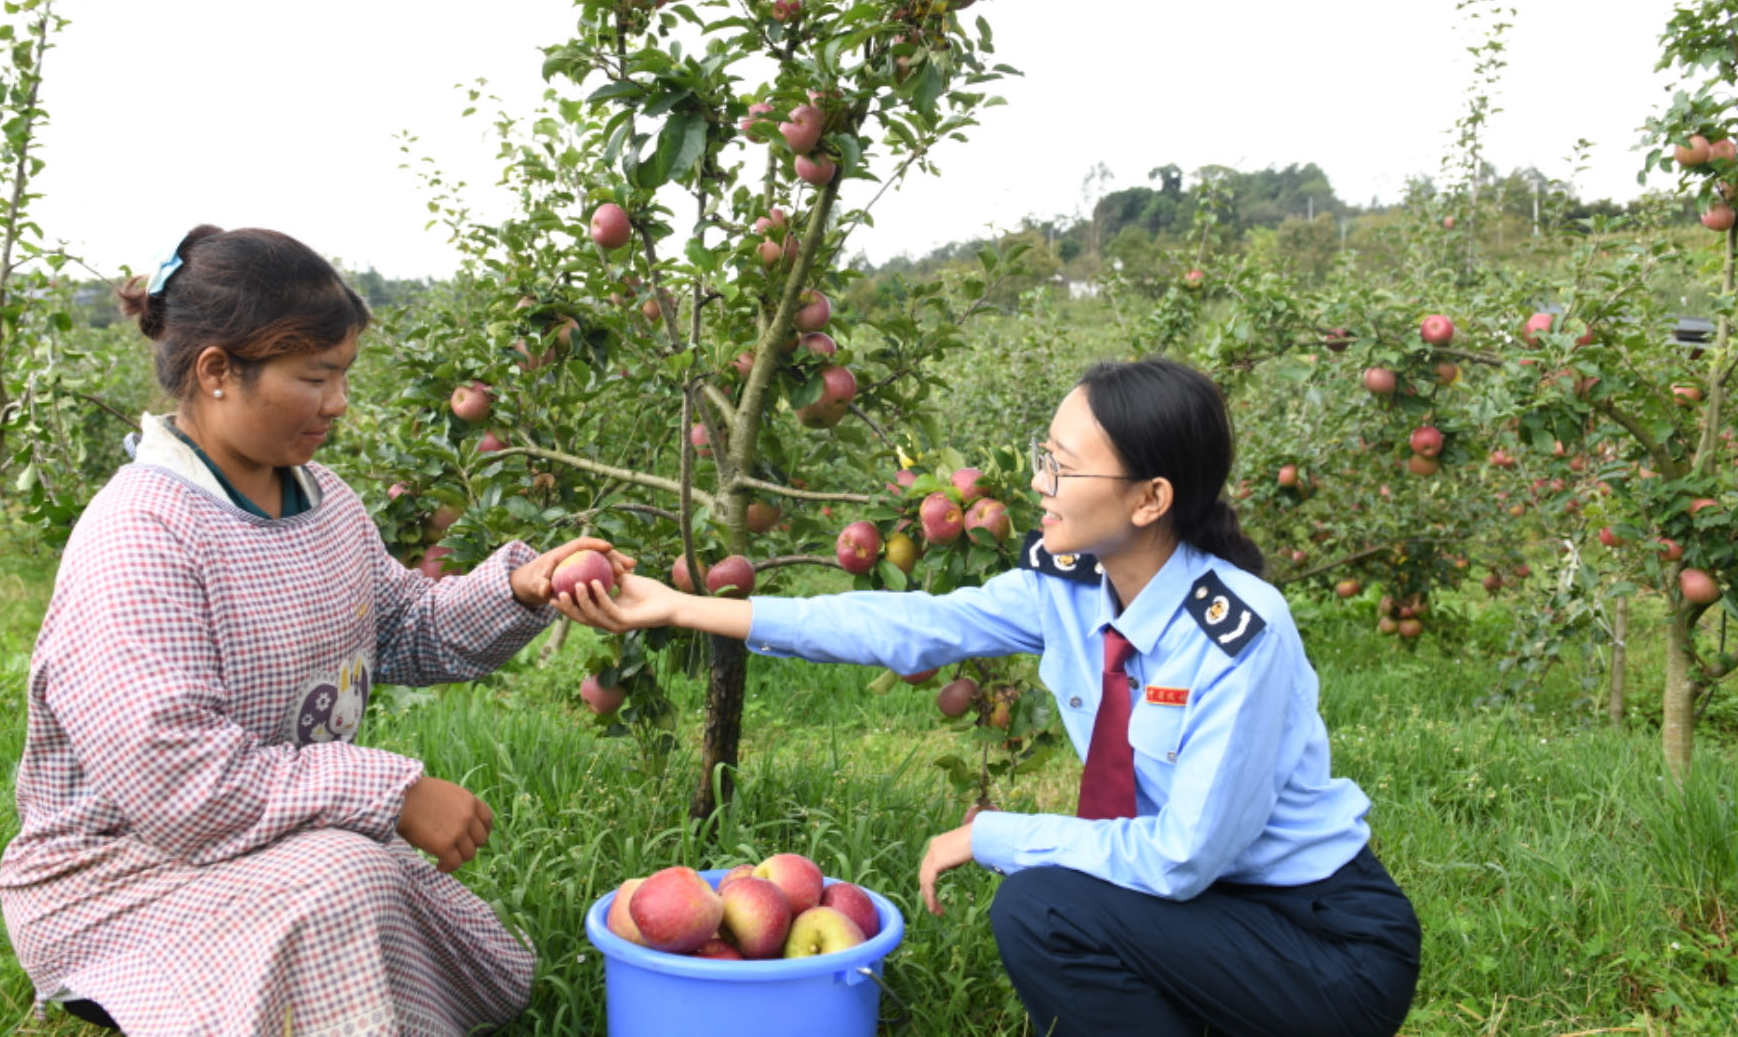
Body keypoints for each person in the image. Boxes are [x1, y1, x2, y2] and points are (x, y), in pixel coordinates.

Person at [556, 357, 1421, 1036]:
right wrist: (684, 606)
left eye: (1064, 468)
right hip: (1207, 917)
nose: (1039, 484)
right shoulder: (1074, 588)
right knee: (1053, 906)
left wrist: (996, 835)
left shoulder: (1239, 633)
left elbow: (1183, 858)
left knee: (1042, 903)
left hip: (1321, 946)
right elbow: (902, 628)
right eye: (1044, 455)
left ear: (1152, 498)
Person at [0, 225, 625, 1036]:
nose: (338, 403)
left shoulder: (320, 499)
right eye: (315, 377)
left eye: (343, 376)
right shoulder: (143, 533)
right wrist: (390, 792)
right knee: (344, 882)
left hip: (263, 834)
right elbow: (174, 781)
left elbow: (402, 627)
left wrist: (520, 587)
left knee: (360, 884)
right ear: (218, 371)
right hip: (119, 872)